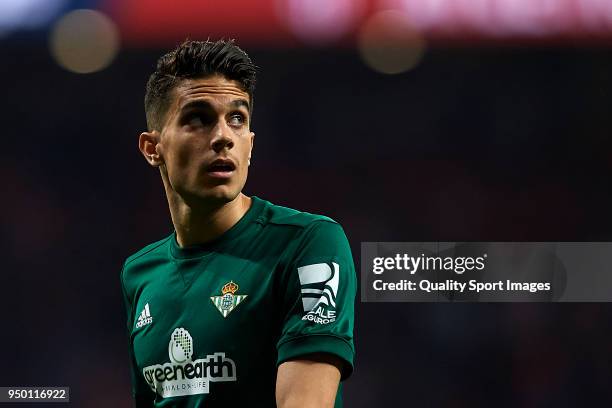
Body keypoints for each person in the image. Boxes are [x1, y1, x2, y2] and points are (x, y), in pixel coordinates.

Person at [120, 39, 356, 407]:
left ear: (251, 144)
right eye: (197, 118)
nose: (222, 137)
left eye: (237, 119)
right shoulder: (139, 274)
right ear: (154, 148)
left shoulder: (309, 244)